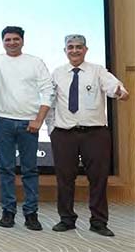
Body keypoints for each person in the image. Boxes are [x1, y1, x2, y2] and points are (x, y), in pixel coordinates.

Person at [48, 34, 129, 237]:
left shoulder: (97, 71)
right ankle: (66, 219)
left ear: (85, 50)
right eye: (70, 47)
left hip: (95, 134)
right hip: (64, 134)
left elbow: (114, 87)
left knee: (98, 179)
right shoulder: (57, 73)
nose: (74, 50)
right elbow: (49, 102)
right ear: (65, 51)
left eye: (79, 47)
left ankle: (99, 222)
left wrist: (120, 92)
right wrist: (52, 129)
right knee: (65, 179)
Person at [0, 26, 54, 230]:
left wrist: (39, 120)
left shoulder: (35, 62)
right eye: (8, 39)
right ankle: (8, 212)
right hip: (2, 121)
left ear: (22, 41)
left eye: (15, 39)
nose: (12, 42)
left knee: (30, 170)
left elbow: (48, 91)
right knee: (6, 169)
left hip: (29, 122)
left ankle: (31, 213)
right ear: (3, 42)